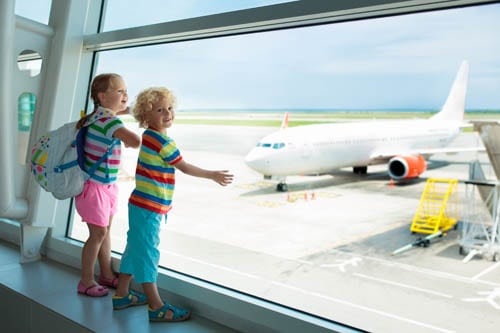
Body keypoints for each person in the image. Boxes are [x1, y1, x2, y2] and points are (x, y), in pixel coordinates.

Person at [112, 87, 233, 322]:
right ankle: (156, 306)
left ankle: (121, 294)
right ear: (145, 117)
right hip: (149, 208)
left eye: (169, 108)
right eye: (159, 110)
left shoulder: (149, 135)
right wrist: (213, 175)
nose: (167, 113)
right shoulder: (162, 141)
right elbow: (184, 166)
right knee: (147, 253)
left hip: (141, 204)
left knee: (135, 247)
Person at [76, 73, 141, 297]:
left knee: (104, 233)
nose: (125, 95)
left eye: (126, 91)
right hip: (96, 188)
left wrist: (135, 109)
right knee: (98, 234)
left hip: (106, 186)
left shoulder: (96, 116)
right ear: (103, 96)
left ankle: (105, 273)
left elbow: (119, 112)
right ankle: (86, 281)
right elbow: (135, 142)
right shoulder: (109, 121)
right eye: (120, 91)